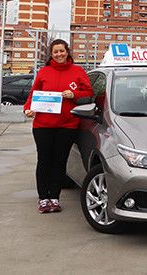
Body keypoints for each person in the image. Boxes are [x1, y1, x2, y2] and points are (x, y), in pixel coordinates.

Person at [23, 39, 93, 214]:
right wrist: (28, 109)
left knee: (59, 162)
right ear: (51, 54)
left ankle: (54, 197)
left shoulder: (78, 71)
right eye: (55, 52)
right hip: (43, 125)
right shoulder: (44, 72)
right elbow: (34, 94)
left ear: (67, 52)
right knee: (44, 161)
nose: (59, 54)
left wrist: (74, 94)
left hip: (67, 125)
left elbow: (89, 93)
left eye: (62, 51)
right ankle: (43, 199)